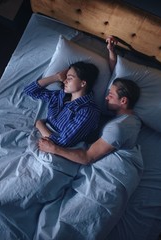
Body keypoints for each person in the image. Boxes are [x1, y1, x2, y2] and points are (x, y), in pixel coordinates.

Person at [38, 36, 141, 164]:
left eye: (111, 95)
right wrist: (111, 51)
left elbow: (88, 158)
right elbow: (115, 76)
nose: (105, 97)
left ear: (123, 101)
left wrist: (53, 147)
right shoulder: (129, 118)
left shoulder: (118, 127)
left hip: (113, 172)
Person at [23, 61, 100, 147]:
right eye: (66, 77)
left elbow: (63, 142)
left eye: (70, 78)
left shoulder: (88, 111)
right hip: (39, 137)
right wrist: (55, 77)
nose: (64, 81)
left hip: (54, 148)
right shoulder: (60, 96)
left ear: (83, 83)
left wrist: (39, 124)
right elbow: (29, 90)